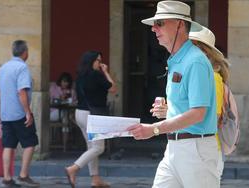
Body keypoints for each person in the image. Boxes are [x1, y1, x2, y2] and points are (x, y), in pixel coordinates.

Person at [128, 1, 220, 188]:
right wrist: (168, 111)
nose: (154, 29)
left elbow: (198, 113)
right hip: (174, 148)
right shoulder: (177, 59)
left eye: (160, 23)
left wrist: (153, 129)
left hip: (196, 149)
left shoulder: (195, 61)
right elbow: (188, 109)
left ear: (179, 24)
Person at [151, 25, 231, 180]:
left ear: (200, 49)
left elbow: (210, 116)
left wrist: (164, 118)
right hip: (181, 146)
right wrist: (169, 111)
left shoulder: (211, 76)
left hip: (199, 148)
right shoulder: (190, 68)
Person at [65, 51, 116, 188]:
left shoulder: (80, 76)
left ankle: (95, 179)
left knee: (91, 147)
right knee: (99, 148)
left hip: (80, 113)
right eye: (98, 61)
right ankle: (74, 168)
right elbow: (113, 88)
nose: (100, 64)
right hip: (93, 115)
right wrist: (106, 72)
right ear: (92, 61)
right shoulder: (97, 75)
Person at [0, 40, 39, 187]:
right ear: (25, 52)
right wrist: (28, 112)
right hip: (19, 113)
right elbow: (21, 91)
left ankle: (7, 178)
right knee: (31, 142)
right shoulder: (22, 68)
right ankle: (23, 174)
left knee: (8, 145)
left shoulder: (3, 68)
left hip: (6, 114)